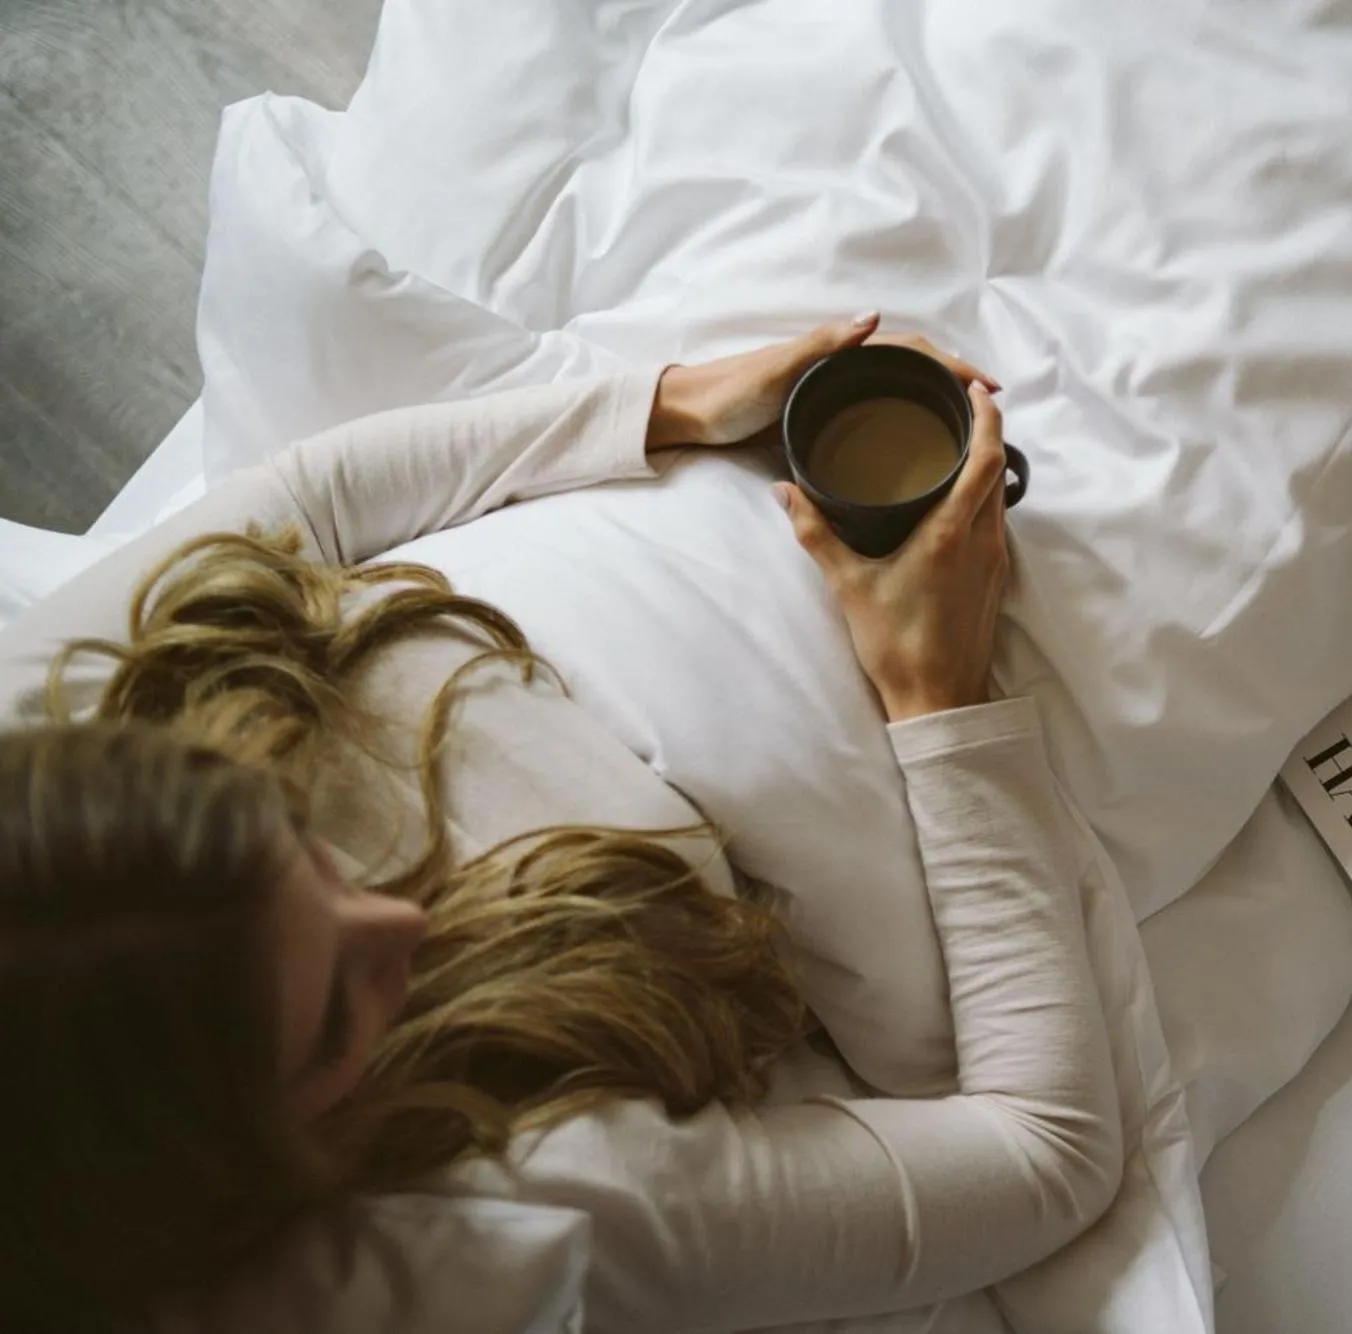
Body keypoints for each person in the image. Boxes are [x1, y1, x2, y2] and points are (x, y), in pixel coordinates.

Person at [0, 316, 1120, 1333]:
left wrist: (672, 405)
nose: (399, 922)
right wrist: (939, 691)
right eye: (339, 1016)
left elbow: (314, 497)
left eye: (306, 848)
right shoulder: (504, 1213)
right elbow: (1047, 1153)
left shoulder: (40, 720)